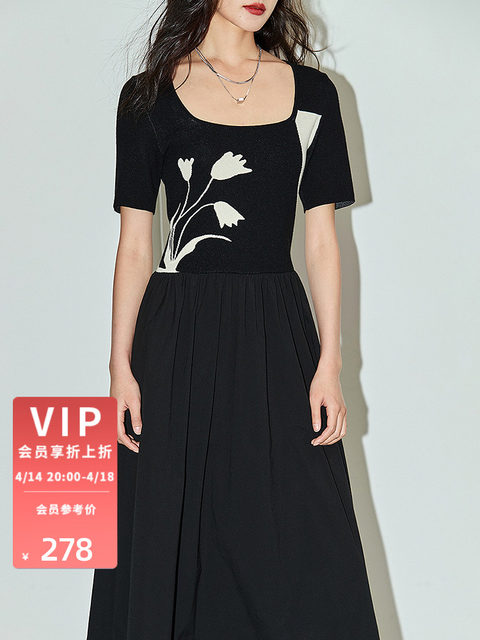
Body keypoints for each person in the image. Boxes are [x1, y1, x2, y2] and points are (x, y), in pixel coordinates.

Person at [87, 1, 380, 638]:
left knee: (301, 529)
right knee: (170, 528)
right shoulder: (148, 95)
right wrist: (119, 367)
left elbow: (322, 242)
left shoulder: (314, 94)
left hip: (277, 332)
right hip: (176, 336)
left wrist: (331, 363)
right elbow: (135, 243)